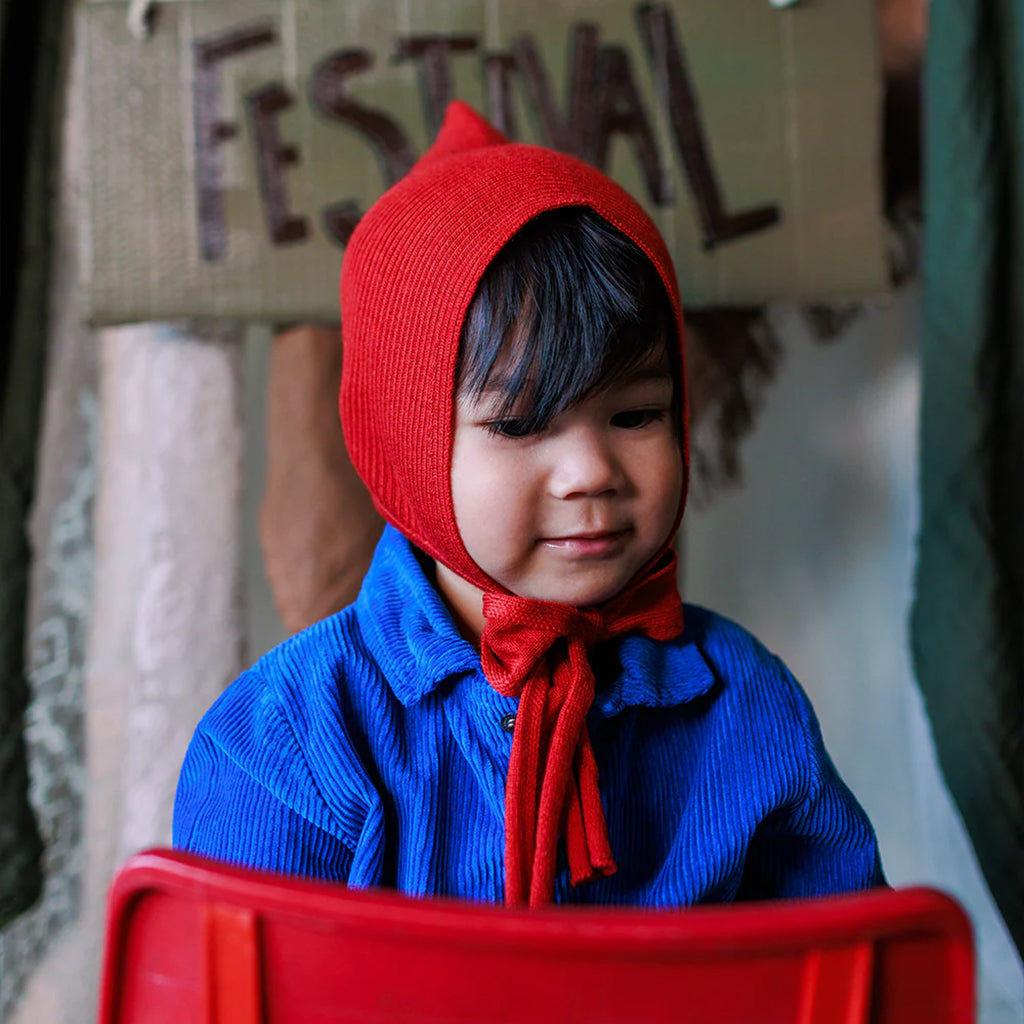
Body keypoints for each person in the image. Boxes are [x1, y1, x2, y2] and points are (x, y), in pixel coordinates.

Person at [174, 101, 884, 907]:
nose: (590, 471)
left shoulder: (748, 707)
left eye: (636, 414)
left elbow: (851, 975)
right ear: (408, 445)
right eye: (519, 423)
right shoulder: (288, 742)